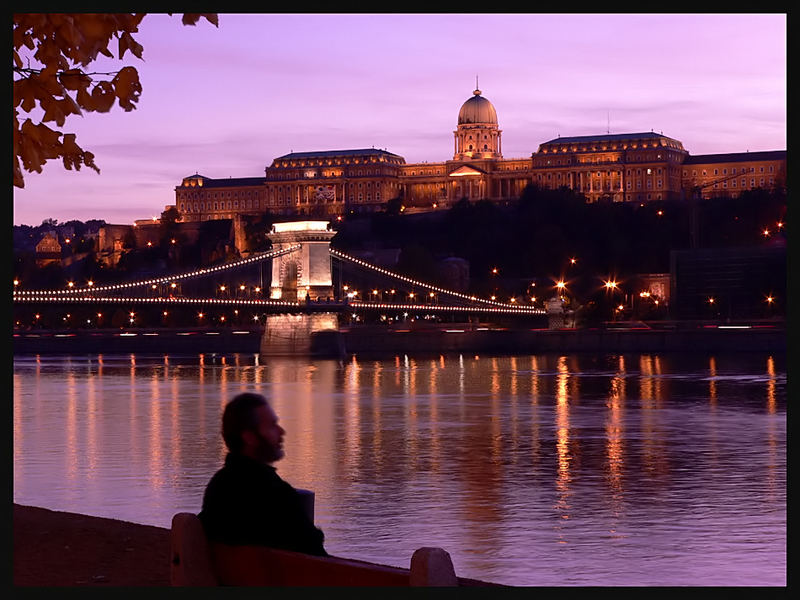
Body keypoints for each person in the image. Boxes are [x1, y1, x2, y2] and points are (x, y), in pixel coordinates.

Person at [198, 392, 328, 556]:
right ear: (250, 437)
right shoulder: (275, 493)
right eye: (272, 426)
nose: (281, 432)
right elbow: (314, 554)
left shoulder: (218, 487)